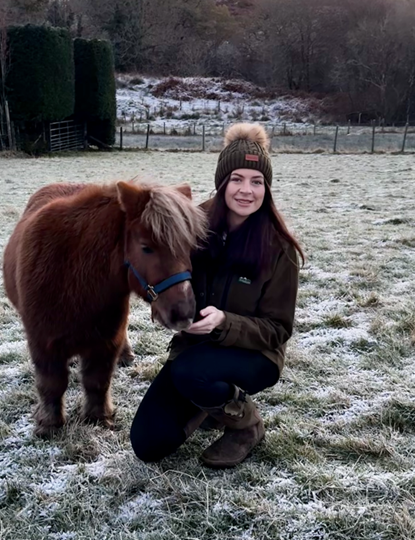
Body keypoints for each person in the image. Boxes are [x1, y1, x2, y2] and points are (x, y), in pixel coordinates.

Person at [130, 123, 304, 468]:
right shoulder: (194, 224)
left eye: (257, 182)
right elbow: (166, 275)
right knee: (147, 444)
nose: (246, 190)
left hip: (255, 354)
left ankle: (246, 425)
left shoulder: (278, 247)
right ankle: (209, 403)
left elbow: (278, 329)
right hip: (196, 349)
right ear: (222, 182)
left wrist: (224, 322)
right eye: (237, 179)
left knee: (190, 373)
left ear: (266, 188)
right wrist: (167, 312)